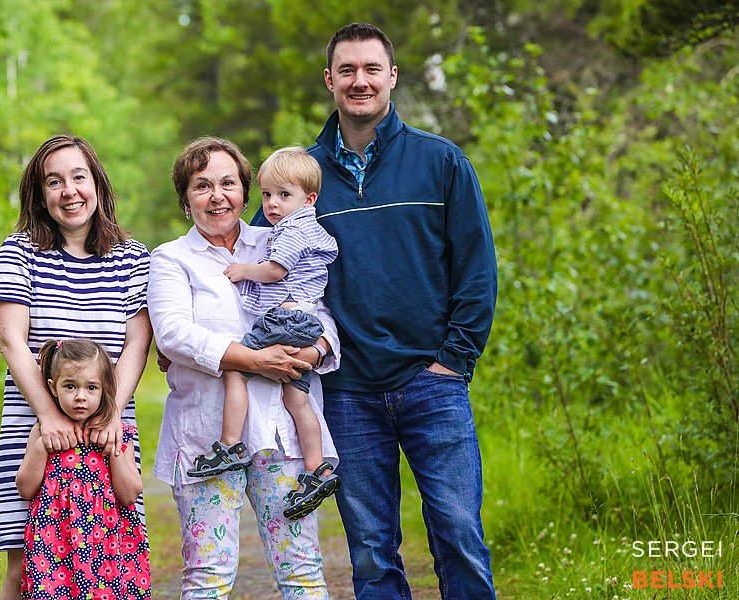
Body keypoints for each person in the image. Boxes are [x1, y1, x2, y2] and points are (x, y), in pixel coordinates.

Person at [251, 22, 499, 600]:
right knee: (370, 552)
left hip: (432, 382)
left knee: (459, 535)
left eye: (370, 69)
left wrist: (454, 360)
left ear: (391, 76)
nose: (358, 81)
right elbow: (247, 261)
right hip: (344, 391)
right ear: (330, 80)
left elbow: (477, 270)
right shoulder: (296, 178)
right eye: (346, 70)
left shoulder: (440, 163)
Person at [147, 136, 340, 599]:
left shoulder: (280, 240)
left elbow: (319, 310)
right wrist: (255, 360)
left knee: (301, 568)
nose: (217, 196)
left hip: (280, 434)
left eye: (228, 183)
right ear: (185, 198)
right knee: (209, 575)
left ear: (246, 191)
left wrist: (313, 352)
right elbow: (174, 334)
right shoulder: (172, 259)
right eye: (202, 185)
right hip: (208, 435)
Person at [0, 135, 153, 600]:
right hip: (35, 423)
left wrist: (111, 413)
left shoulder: (132, 257)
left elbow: (138, 342)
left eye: (78, 176)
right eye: (53, 182)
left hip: (109, 424)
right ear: (40, 195)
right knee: (27, 568)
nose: (69, 191)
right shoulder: (19, 251)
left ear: (96, 183)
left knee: (110, 562)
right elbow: (10, 340)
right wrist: (49, 415)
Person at [190, 146, 341, 521]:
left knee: (236, 368)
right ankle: (316, 468)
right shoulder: (308, 227)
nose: (272, 204)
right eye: (268, 194)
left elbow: (274, 272)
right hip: (304, 323)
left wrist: (243, 270)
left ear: (309, 199)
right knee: (298, 401)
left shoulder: (291, 231)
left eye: (283, 195)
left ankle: (229, 444)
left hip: (285, 321)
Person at [17, 339, 149, 599]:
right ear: (53, 388)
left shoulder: (118, 434)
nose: (80, 396)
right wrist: (43, 446)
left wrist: (114, 451)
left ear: (105, 388)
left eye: (91, 387)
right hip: (55, 543)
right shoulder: (44, 433)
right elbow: (25, 487)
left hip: (108, 543)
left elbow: (130, 494)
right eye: (70, 386)